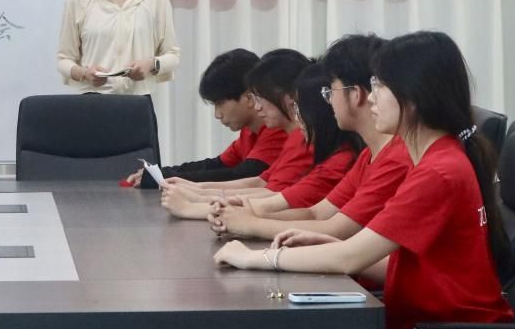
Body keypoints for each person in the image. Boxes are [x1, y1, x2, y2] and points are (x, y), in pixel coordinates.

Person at [214, 31, 513, 329]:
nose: (370, 98)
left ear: (412, 97)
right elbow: (394, 262)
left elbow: (349, 260)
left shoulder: (438, 172)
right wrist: (333, 243)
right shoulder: (436, 160)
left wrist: (254, 258)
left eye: (380, 86)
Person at [210, 34, 412, 242]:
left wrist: (249, 223)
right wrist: (246, 215)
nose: (328, 100)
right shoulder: (368, 155)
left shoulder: (393, 158)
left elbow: (337, 231)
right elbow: (316, 213)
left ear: (355, 94)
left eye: (330, 90)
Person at [160, 49, 311, 219]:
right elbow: (260, 182)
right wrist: (195, 189)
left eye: (261, 98)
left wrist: (194, 205)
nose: (257, 106)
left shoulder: (294, 135)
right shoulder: (292, 137)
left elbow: (274, 197)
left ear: (290, 98)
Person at [209, 61, 360, 217]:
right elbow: (265, 186)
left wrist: (227, 211)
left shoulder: (332, 155)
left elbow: (302, 209)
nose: (257, 107)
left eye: (299, 107)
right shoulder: (336, 152)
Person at [126, 48, 287, 188]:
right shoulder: (249, 131)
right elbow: (217, 164)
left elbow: (243, 176)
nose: (217, 114)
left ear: (248, 97)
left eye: (220, 103)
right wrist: (161, 172)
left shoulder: (277, 128)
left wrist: (163, 179)